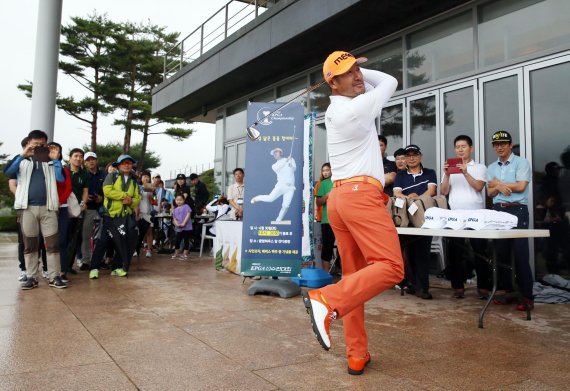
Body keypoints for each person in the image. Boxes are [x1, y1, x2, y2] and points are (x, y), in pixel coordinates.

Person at [301, 51, 403, 376]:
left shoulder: (336, 108)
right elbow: (391, 81)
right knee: (391, 267)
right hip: (359, 197)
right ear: (332, 82)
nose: (359, 76)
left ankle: (357, 354)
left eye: (358, 69)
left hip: (342, 198)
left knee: (356, 279)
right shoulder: (358, 107)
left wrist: (352, 68)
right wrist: (369, 71)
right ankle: (326, 301)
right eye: (350, 72)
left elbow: (368, 83)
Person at [4, 130, 66, 289]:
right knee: (30, 244)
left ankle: (54, 276)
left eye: (42, 144)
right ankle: (31, 276)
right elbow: (8, 172)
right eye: (35, 144)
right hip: (27, 208)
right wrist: (23, 154)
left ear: (46, 144)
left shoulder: (51, 161)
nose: (39, 147)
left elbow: (60, 179)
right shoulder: (21, 160)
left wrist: (55, 160)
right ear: (29, 142)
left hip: (49, 208)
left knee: (52, 244)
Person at [487, 130, 534, 311]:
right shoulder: (492, 167)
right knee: (502, 253)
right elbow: (490, 193)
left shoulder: (521, 163)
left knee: (521, 254)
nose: (500, 147)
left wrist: (498, 184)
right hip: (498, 211)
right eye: (496, 144)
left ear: (510, 144)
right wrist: (498, 186)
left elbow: (521, 186)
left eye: (503, 143)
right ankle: (507, 292)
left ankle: (526, 296)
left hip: (518, 210)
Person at [440, 135, 491, 299]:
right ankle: (457, 287)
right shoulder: (451, 168)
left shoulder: (480, 167)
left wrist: (466, 172)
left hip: (476, 215)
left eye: (463, 146)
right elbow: (444, 191)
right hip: (456, 215)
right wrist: (447, 174)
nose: (460, 149)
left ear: (471, 148)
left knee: (480, 251)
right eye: (457, 147)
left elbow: (478, 187)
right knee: (455, 252)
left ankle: (483, 287)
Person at [393, 144, 437, 299]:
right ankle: (412, 285)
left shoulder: (430, 173)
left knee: (423, 253)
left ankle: (423, 288)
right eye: (408, 155)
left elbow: (431, 191)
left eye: (414, 154)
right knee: (409, 253)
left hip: (424, 218)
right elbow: (397, 192)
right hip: (406, 218)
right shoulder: (401, 175)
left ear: (420, 156)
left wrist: (416, 199)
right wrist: (409, 199)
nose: (411, 158)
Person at [100, 154, 141, 277]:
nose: (127, 165)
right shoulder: (111, 176)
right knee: (114, 242)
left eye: (129, 163)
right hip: (112, 215)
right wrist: (124, 196)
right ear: (118, 166)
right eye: (124, 163)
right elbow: (107, 191)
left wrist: (131, 202)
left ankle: (121, 267)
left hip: (127, 216)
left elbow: (137, 197)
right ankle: (98, 267)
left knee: (128, 241)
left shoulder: (134, 182)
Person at [47, 142, 73, 282]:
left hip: (61, 209)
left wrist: (59, 201)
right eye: (50, 149)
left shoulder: (63, 169)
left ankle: (62, 270)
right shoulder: (40, 168)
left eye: (56, 150)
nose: (52, 152)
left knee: (62, 241)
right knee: (48, 242)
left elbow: (67, 187)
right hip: (45, 209)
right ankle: (48, 269)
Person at [250, 148, 296, 222]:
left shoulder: (291, 159)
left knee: (286, 206)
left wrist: (290, 164)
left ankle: (278, 220)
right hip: (281, 186)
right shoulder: (274, 165)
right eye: (273, 153)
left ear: (281, 152)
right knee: (270, 199)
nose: (274, 154)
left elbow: (294, 169)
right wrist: (287, 161)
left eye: (276, 152)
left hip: (290, 187)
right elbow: (279, 167)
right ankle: (257, 198)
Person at [80, 151, 105, 271]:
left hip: (101, 209)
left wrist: (102, 198)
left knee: (101, 237)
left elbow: (109, 192)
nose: (91, 161)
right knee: (86, 236)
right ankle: (86, 260)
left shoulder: (104, 175)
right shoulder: (83, 175)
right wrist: (84, 198)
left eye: (93, 159)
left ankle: (100, 259)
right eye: (88, 160)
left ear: (97, 160)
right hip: (88, 209)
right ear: (85, 162)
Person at [66, 148, 89, 273]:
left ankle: (69, 266)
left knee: (75, 239)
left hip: (76, 211)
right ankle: (59, 266)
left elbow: (86, 191)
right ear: (70, 158)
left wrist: (83, 203)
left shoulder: (84, 174)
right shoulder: (63, 171)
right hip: (63, 209)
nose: (78, 159)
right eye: (75, 156)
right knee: (64, 238)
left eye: (81, 156)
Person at [315, 162, 336, 272]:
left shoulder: (340, 182)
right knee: (327, 247)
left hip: (343, 221)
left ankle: (345, 274)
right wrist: (327, 195)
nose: (325, 172)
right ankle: (326, 274)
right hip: (327, 221)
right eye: (324, 170)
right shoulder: (323, 184)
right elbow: (318, 202)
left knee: (345, 248)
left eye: (327, 170)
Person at [137, 171, 155, 258]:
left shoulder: (151, 187)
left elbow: (151, 193)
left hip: (148, 213)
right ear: (141, 178)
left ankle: (149, 250)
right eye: (144, 176)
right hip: (138, 212)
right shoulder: (137, 186)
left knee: (149, 231)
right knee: (137, 232)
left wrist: (150, 186)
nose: (146, 178)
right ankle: (135, 250)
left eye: (148, 177)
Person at [171, 194, 193, 260]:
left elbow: (188, 214)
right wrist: (176, 224)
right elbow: (174, 218)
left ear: (184, 200)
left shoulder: (186, 206)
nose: (179, 201)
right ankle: (177, 252)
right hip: (179, 228)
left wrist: (184, 223)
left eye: (181, 200)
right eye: (177, 200)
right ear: (175, 201)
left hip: (186, 227)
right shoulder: (175, 210)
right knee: (177, 240)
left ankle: (185, 254)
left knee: (186, 240)